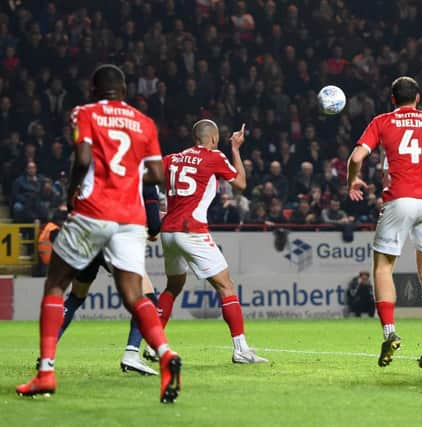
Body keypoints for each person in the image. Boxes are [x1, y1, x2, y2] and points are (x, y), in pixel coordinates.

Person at [16, 65, 181, 404]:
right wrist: (128, 178)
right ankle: (165, 354)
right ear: (124, 89)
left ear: (94, 89)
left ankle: (46, 371)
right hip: (131, 218)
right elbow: (155, 173)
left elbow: (82, 157)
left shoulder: (86, 112)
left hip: (94, 209)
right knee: (135, 296)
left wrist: (71, 191)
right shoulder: (145, 122)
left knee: (56, 284)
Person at [347, 76, 422, 369]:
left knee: (383, 267)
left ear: (392, 98)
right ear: (418, 98)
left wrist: (353, 180)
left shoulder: (382, 121)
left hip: (399, 199)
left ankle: (389, 332)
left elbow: (356, 156)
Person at [156, 119, 268, 364]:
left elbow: (153, 182)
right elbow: (240, 184)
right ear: (214, 139)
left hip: (168, 231)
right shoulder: (214, 157)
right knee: (226, 286)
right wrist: (236, 149)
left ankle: (154, 345)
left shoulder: (171, 159)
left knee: (173, 286)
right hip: (191, 230)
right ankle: (241, 349)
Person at [56, 184, 164, 376]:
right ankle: (131, 354)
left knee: (75, 297)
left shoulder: (98, 172)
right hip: (113, 241)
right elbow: (154, 227)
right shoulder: (143, 176)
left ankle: (46, 354)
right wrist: (152, 229)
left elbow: (72, 204)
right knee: (146, 299)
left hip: (85, 238)